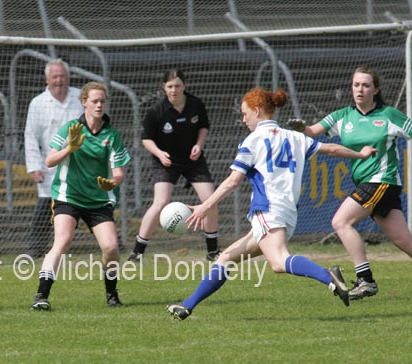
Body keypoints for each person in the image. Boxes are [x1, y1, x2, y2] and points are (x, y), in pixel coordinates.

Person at [166, 88, 377, 320]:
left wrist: (204, 207)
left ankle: (329, 277)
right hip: (286, 212)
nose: (243, 119)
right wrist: (361, 155)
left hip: (268, 210)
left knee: (278, 262)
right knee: (226, 257)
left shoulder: (253, 140)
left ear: (257, 110)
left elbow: (233, 181)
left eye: (245, 113)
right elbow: (332, 148)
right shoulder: (295, 137)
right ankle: (187, 306)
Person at [288, 66, 412, 301]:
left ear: (376, 90)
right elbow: (312, 131)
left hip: (382, 181)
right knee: (402, 240)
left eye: (366, 85)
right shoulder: (343, 116)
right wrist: (300, 127)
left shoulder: (389, 115)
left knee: (341, 221)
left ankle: (366, 281)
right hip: (369, 183)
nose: (360, 90)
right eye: (356, 85)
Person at [30, 81, 131, 310]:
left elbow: (119, 174)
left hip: (98, 201)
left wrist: (111, 183)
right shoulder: (70, 129)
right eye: (94, 101)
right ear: (84, 102)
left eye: (102, 101)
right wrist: (70, 149)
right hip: (69, 196)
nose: (99, 105)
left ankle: (112, 294)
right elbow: (49, 161)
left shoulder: (111, 135)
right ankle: (41, 296)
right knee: (63, 241)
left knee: (111, 247)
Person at [128, 68, 220, 262]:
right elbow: (146, 139)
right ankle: (137, 251)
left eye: (177, 86)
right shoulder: (156, 111)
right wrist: (160, 154)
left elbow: (204, 127)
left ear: (184, 86)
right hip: (166, 161)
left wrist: (198, 145)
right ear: (164, 87)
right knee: (160, 202)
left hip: (193, 160)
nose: (174, 90)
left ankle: (213, 251)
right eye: (170, 86)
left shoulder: (196, 104)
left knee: (210, 200)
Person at [24, 59, 84, 258]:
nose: (60, 80)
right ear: (47, 79)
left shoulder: (81, 98)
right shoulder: (38, 103)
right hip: (50, 166)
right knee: (45, 207)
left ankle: (110, 242)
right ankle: (35, 249)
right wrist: (33, 167)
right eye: (55, 77)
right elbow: (31, 137)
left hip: (81, 165)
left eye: (63, 76)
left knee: (93, 203)